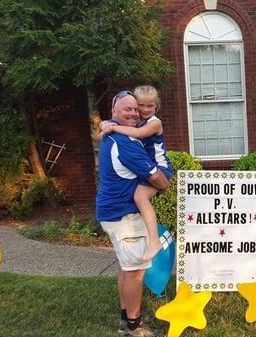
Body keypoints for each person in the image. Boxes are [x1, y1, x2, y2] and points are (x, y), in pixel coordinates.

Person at [96, 90, 169, 337]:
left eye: (135, 109)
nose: (134, 112)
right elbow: (157, 178)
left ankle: (125, 318)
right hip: (124, 216)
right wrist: (164, 185)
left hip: (112, 212)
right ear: (114, 112)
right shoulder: (126, 144)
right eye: (127, 109)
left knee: (127, 268)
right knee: (135, 272)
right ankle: (134, 329)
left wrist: (109, 125)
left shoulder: (113, 135)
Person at [100, 85, 173, 263]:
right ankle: (153, 239)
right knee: (139, 197)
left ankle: (155, 242)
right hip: (148, 168)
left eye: (151, 106)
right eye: (141, 106)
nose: (145, 110)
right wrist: (104, 123)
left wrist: (113, 127)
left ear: (156, 107)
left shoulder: (154, 123)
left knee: (140, 197)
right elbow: (110, 124)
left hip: (161, 168)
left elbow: (139, 134)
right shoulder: (135, 120)